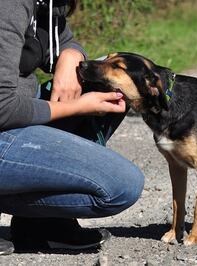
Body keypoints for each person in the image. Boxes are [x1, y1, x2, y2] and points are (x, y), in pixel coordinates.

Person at [0, 0, 144, 255]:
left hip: (17, 116)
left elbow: (64, 39)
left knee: (112, 78)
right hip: (5, 120)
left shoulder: (47, 3)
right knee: (121, 186)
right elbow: (3, 107)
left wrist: (71, 54)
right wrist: (79, 106)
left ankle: (42, 225)